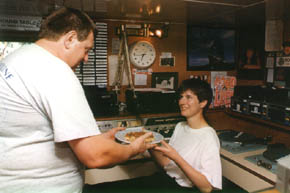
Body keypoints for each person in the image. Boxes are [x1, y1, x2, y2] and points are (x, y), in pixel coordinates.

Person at [0, 7, 155, 193]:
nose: (87, 58)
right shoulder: (55, 71)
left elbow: (31, 128)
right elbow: (96, 156)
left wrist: (95, 139)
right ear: (70, 38)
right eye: (86, 49)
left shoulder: (16, 59)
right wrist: (134, 149)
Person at [150, 78, 222, 193]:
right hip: (167, 180)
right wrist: (150, 146)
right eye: (181, 97)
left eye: (188, 97)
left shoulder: (209, 137)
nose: (181, 102)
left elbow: (207, 188)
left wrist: (176, 157)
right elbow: (167, 164)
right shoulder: (180, 126)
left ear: (203, 103)